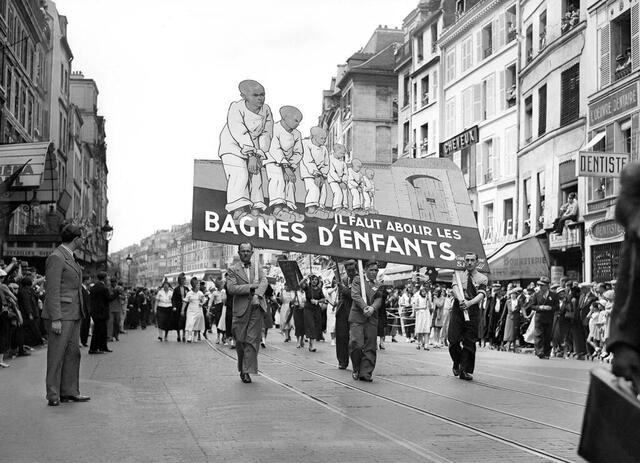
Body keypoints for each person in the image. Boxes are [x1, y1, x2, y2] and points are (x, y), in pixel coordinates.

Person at [41, 224, 90, 406]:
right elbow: (51, 290)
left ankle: (69, 391)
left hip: (74, 313)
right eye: (82, 238)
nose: (83, 241)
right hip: (61, 314)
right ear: (76, 239)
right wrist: (56, 318)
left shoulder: (69, 257)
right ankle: (53, 395)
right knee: (56, 355)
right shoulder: (57, 257)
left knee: (73, 353)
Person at [219, 79, 272, 221]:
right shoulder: (236, 108)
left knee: (256, 176)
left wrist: (260, 153)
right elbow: (239, 132)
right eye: (256, 95)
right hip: (233, 146)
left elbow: (267, 133)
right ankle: (238, 212)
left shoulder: (266, 110)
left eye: (262, 94)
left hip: (254, 148)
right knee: (240, 174)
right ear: (244, 96)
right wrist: (251, 154)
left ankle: (256, 212)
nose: (260, 98)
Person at [227, 243, 268, 384]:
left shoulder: (258, 267)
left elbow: (264, 281)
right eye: (243, 251)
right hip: (241, 309)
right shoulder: (233, 269)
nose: (245, 253)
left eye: (248, 251)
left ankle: (246, 371)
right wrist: (250, 287)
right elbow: (231, 288)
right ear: (239, 252)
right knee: (240, 340)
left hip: (256, 306)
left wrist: (258, 295)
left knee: (252, 340)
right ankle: (242, 367)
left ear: (252, 252)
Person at [448, 252, 488, 381]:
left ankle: (465, 370)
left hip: (473, 308)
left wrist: (469, 303)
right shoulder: (458, 275)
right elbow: (455, 288)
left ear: (477, 262)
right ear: (464, 262)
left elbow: (481, 294)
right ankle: (457, 361)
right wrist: (461, 300)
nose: (469, 262)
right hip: (458, 307)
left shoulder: (482, 278)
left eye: (472, 260)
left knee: (469, 341)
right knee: (453, 340)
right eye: (467, 260)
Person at [265, 105, 304, 222]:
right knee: (278, 180)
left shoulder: (297, 134)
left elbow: (299, 152)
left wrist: (290, 166)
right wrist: (285, 166)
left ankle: (287, 208)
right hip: (273, 160)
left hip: (288, 164)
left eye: (299, 122)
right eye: (296, 120)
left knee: (290, 183)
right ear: (285, 118)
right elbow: (274, 148)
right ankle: (277, 209)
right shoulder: (274, 128)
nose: (298, 124)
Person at [349, 260, 381, 382]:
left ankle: (366, 372)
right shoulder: (358, 280)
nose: (374, 272)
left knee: (371, 346)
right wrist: (365, 307)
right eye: (371, 270)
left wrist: (372, 308)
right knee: (356, 344)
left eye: (376, 270)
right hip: (357, 317)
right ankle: (356, 368)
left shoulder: (378, 283)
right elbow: (355, 295)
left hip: (371, 317)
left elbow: (378, 299)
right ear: (365, 270)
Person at [530, 276, 559, 359]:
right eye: (540, 285)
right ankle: (539, 352)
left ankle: (546, 352)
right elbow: (532, 306)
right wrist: (540, 307)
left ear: (547, 286)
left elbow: (557, 307)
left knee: (547, 336)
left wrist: (551, 308)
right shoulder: (536, 295)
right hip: (539, 318)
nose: (541, 287)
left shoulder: (553, 295)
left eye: (542, 285)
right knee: (539, 335)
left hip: (549, 318)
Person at [335, 260, 357, 369]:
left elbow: (354, 294)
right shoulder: (342, 280)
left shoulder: (359, 280)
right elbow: (341, 295)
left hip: (354, 311)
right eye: (349, 270)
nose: (351, 272)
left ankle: (356, 362)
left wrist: (344, 290)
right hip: (342, 311)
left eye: (352, 270)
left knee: (353, 338)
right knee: (341, 336)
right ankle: (342, 361)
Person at [89, 271, 112, 354]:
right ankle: (94, 348)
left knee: (101, 330)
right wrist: (116, 293)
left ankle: (103, 347)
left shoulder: (94, 287)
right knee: (99, 331)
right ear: (105, 278)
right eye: (107, 278)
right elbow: (108, 298)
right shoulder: (104, 288)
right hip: (102, 313)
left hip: (95, 312)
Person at [301, 274, 326, 352]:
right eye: (313, 279)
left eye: (316, 279)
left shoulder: (319, 289)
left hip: (316, 309)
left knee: (315, 326)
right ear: (310, 281)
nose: (314, 281)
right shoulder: (307, 288)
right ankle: (311, 345)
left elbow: (324, 298)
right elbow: (300, 284)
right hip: (308, 309)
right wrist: (306, 277)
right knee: (311, 325)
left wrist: (317, 301)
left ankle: (311, 343)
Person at [183, 277, 205, 343]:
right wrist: (182, 310)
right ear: (194, 286)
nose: (199, 286)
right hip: (191, 310)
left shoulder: (200, 293)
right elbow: (185, 301)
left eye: (199, 285)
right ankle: (189, 337)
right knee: (190, 322)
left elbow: (204, 300)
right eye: (197, 285)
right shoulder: (189, 293)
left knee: (196, 324)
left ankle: (195, 337)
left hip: (198, 310)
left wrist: (202, 303)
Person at [172, 273, 188, 343]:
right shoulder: (176, 289)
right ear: (180, 280)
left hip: (185, 307)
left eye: (184, 279)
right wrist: (174, 306)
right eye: (183, 279)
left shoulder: (187, 289)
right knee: (178, 321)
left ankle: (184, 335)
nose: (184, 281)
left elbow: (189, 297)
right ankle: (178, 335)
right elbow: (173, 299)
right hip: (178, 307)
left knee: (185, 321)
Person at [107, 278, 123, 342]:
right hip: (110, 308)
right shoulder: (108, 289)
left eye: (114, 282)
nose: (113, 283)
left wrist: (120, 296)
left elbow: (124, 297)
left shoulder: (120, 289)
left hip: (118, 308)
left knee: (117, 323)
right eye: (112, 282)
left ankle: (116, 335)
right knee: (110, 323)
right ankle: (109, 337)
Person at [79, 275, 91, 347]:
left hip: (87, 310)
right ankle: (82, 340)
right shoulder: (81, 288)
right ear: (86, 280)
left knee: (87, 325)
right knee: (82, 326)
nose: (90, 281)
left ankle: (84, 341)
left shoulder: (87, 289)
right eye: (89, 280)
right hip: (83, 309)